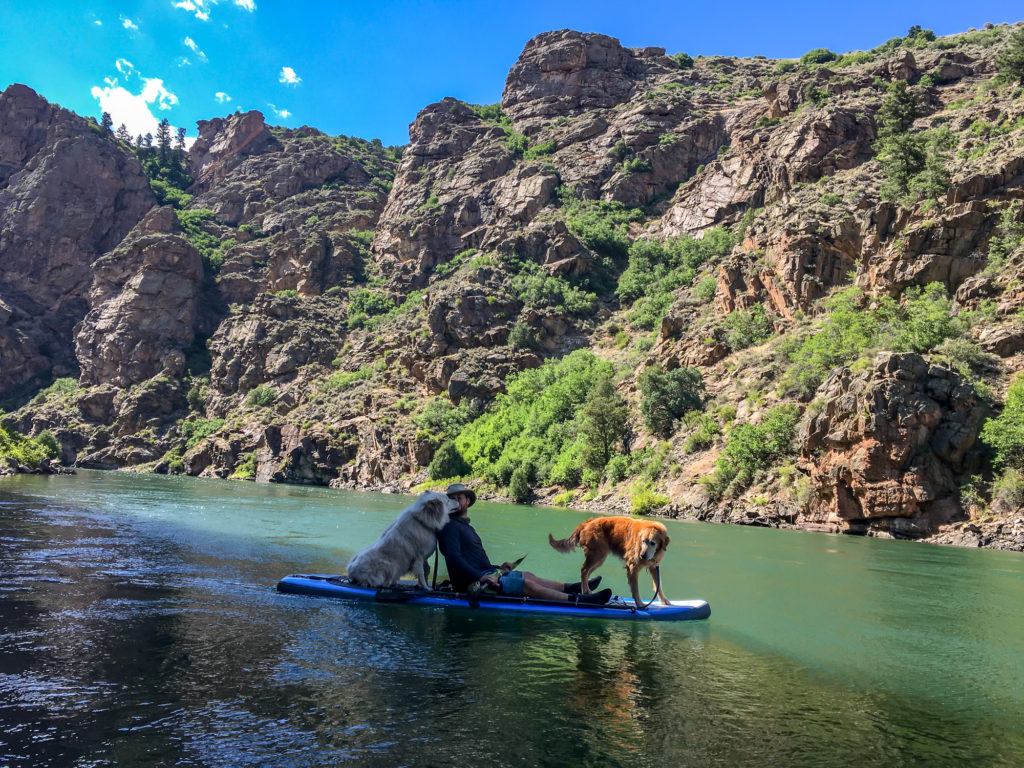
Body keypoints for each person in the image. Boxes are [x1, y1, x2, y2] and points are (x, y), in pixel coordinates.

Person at [437, 483, 611, 605]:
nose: (455, 502)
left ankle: (576, 588)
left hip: (486, 574)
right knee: (527, 585)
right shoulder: (449, 526)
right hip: (473, 584)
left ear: (467, 501)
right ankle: (581, 601)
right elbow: (453, 558)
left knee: (528, 575)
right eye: (451, 499)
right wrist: (481, 576)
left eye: (459, 498)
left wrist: (498, 567)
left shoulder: (465, 526)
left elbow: (473, 558)